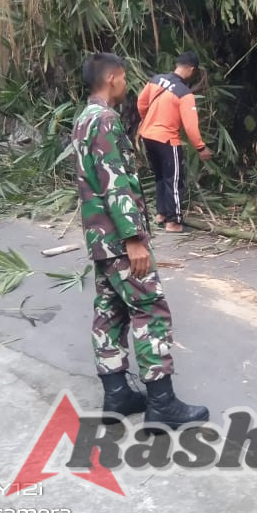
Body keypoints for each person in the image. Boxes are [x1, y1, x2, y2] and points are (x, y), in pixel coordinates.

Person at [72, 52, 208, 428]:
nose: (127, 84)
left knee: (110, 311)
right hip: (119, 238)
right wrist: (134, 239)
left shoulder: (83, 119)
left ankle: (116, 394)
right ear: (113, 77)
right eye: (125, 78)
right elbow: (115, 182)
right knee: (150, 307)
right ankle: (161, 403)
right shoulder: (106, 120)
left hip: (99, 237)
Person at [136, 50, 212, 232]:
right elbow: (191, 127)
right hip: (167, 139)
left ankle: (161, 213)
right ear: (191, 69)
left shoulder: (156, 80)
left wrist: (149, 120)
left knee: (160, 176)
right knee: (174, 179)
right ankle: (174, 222)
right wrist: (201, 148)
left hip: (148, 135)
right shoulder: (184, 94)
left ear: (177, 65)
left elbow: (140, 102)